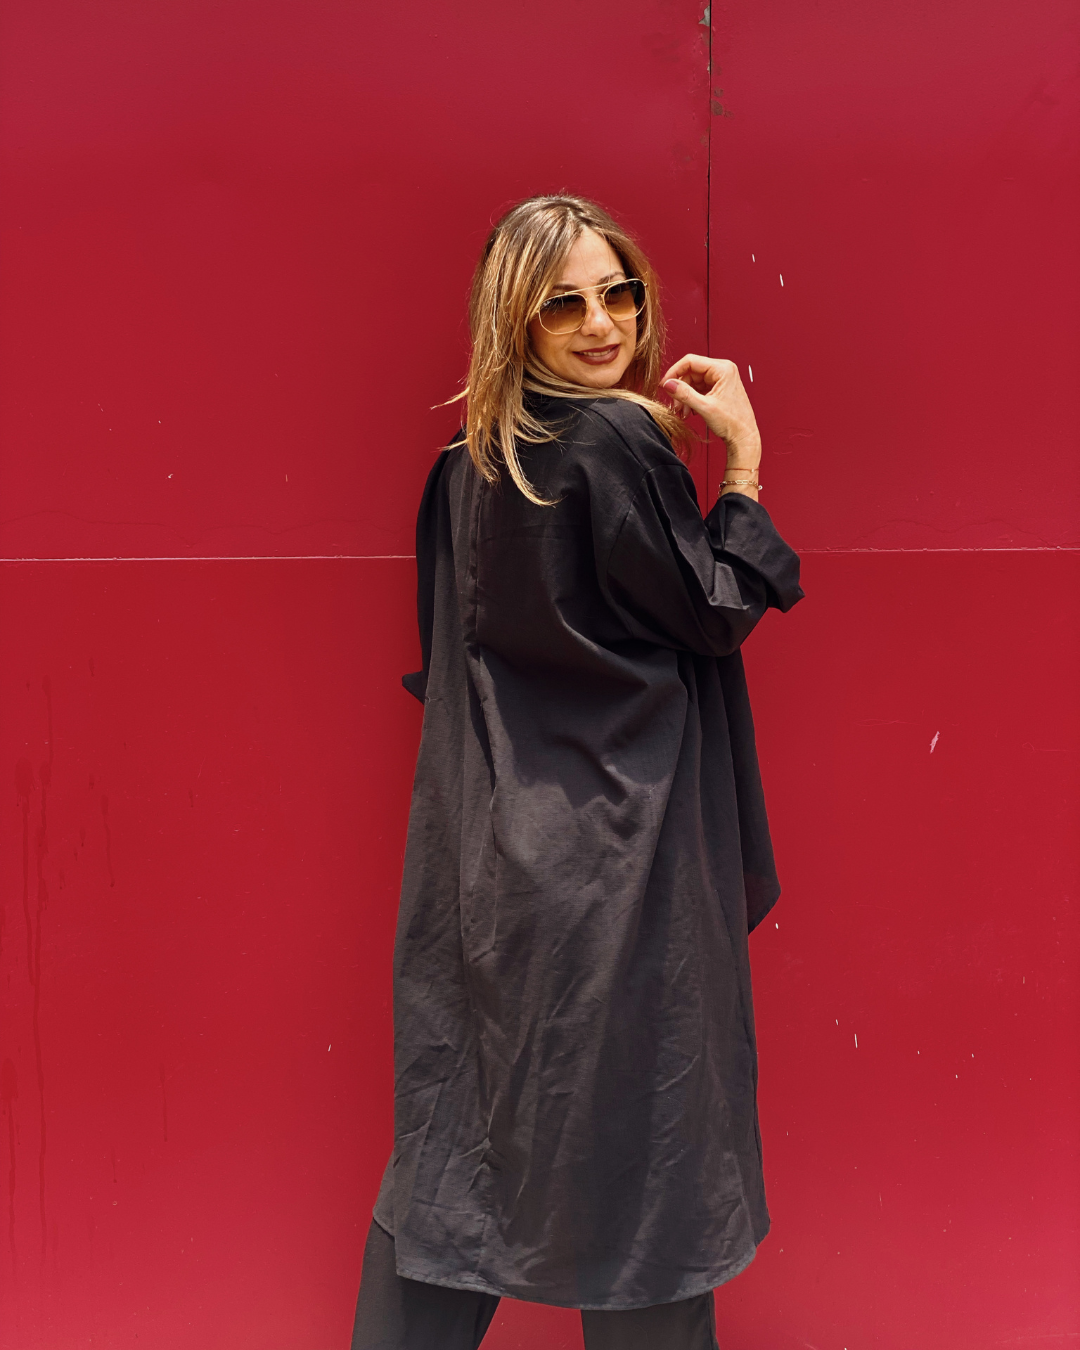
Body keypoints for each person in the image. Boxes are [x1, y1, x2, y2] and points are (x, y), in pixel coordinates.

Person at [351, 194, 804, 1350]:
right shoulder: (613, 440)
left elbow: (451, 665)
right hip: (622, 861)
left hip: (490, 859)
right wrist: (745, 467)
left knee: (458, 1149)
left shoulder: (465, 466)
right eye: (564, 305)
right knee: (652, 1164)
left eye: (619, 294)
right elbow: (712, 610)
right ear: (517, 321)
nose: (603, 325)